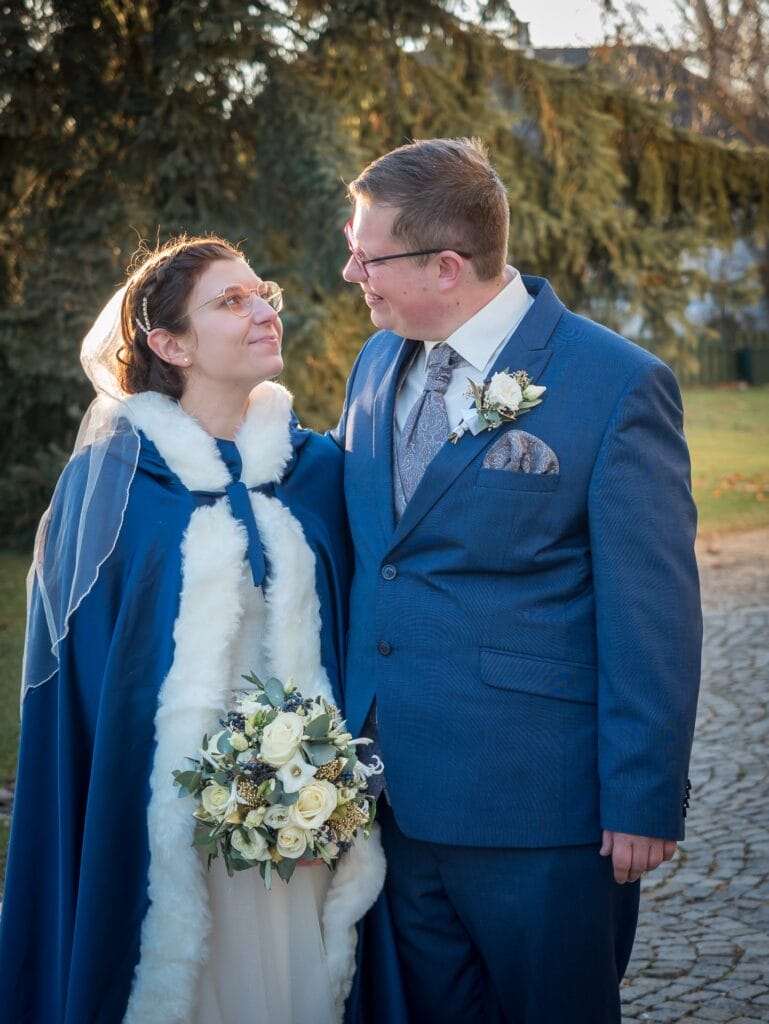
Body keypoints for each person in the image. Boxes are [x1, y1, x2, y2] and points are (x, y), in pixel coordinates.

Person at [334, 138, 702, 1024]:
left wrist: (644, 798)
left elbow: (651, 612)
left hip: (537, 811)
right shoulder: (377, 364)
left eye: (366, 254)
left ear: (448, 265)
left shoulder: (615, 385)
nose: (351, 272)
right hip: (390, 803)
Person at [0, 235, 386, 1024]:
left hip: (303, 810)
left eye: (261, 293)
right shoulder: (111, 482)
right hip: (163, 813)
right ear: (170, 344)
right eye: (230, 301)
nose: (262, 312)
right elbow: (92, 676)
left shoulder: (316, 468)